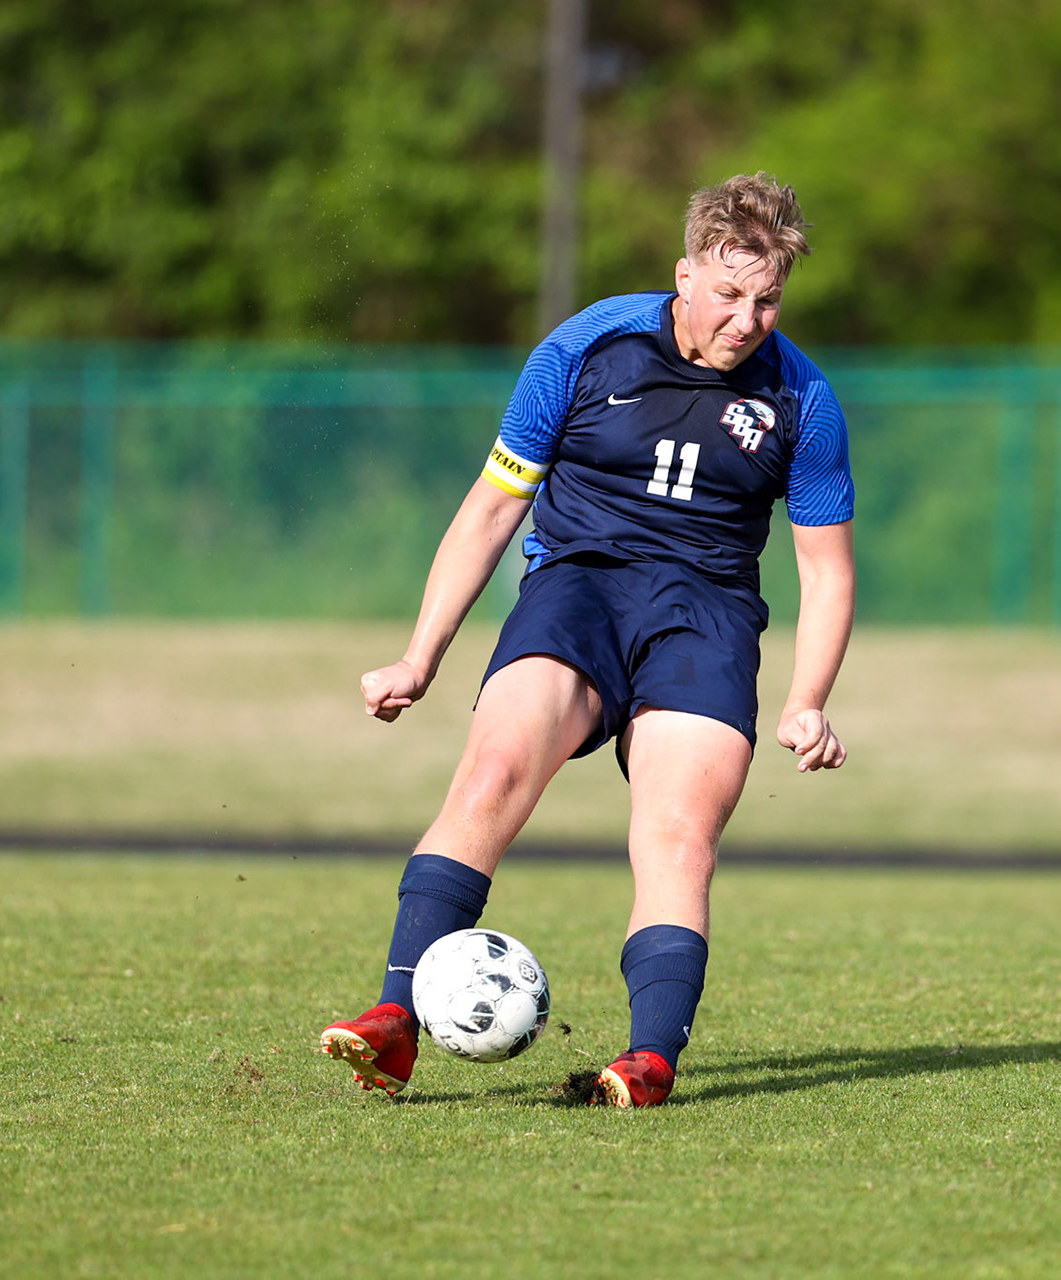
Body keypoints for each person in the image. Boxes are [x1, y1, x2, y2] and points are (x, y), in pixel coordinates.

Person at [320, 172, 855, 1107]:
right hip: (578, 592)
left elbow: (826, 571)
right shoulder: (585, 347)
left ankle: (649, 1061)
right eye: (729, 293)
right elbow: (493, 509)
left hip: (706, 618)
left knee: (680, 833)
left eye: (768, 298)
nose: (747, 319)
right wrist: (421, 656)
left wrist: (809, 700)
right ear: (683, 275)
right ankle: (395, 1019)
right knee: (491, 775)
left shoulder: (804, 401)